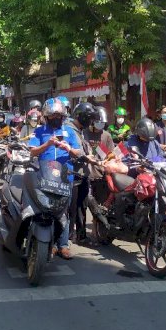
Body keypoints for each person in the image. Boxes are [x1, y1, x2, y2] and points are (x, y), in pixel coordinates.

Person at [28, 98, 83, 259]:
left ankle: (63, 245)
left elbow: (79, 153)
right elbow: (33, 152)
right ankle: (48, 243)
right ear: (46, 116)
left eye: (59, 115)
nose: (56, 118)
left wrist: (69, 148)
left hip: (65, 177)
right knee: (45, 209)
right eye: (52, 115)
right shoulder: (39, 132)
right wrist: (48, 144)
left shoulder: (70, 132)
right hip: (44, 175)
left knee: (63, 212)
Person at [67, 102, 99, 244]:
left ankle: (81, 235)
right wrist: (87, 158)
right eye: (90, 118)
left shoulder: (80, 131)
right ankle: (68, 236)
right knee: (71, 208)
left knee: (82, 206)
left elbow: (86, 149)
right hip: (72, 174)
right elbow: (72, 151)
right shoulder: (69, 130)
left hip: (83, 174)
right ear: (83, 117)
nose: (91, 122)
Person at [84, 106, 115, 204]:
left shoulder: (106, 136)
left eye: (102, 123)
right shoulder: (83, 133)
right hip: (85, 176)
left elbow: (111, 155)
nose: (100, 125)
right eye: (98, 122)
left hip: (100, 177)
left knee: (99, 206)